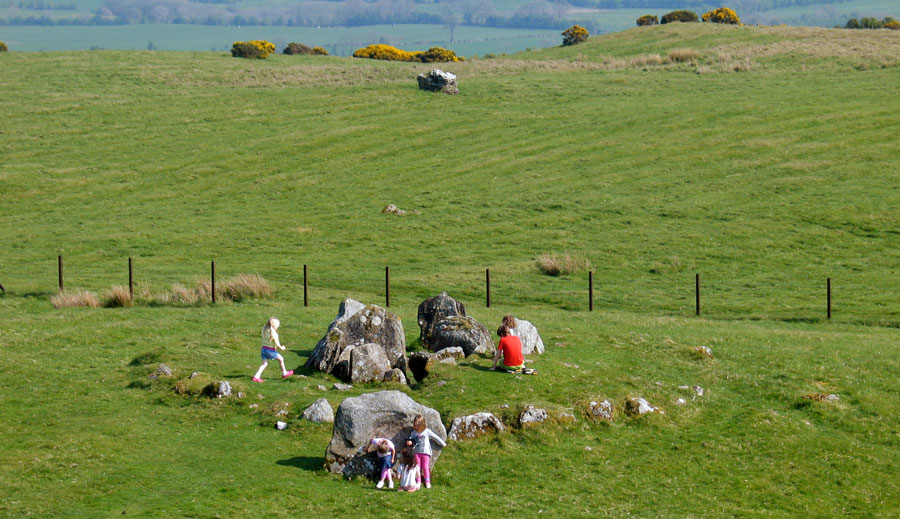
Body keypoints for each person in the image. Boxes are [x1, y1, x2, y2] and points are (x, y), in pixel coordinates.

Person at [406, 414, 446, 489]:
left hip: (426, 452)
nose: (415, 427)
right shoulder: (413, 433)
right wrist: (409, 442)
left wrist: (442, 443)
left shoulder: (427, 431)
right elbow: (410, 439)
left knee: (425, 467)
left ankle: (427, 481)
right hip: (417, 452)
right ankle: (418, 481)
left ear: (422, 425)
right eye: (414, 425)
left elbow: (435, 437)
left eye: (417, 425)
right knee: (417, 468)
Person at [252, 317, 293, 383]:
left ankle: (256, 376)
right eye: (277, 326)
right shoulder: (274, 334)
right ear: (274, 326)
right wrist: (282, 348)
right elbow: (278, 345)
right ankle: (284, 373)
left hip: (263, 350)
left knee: (264, 364)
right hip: (270, 351)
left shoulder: (264, 330)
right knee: (281, 359)